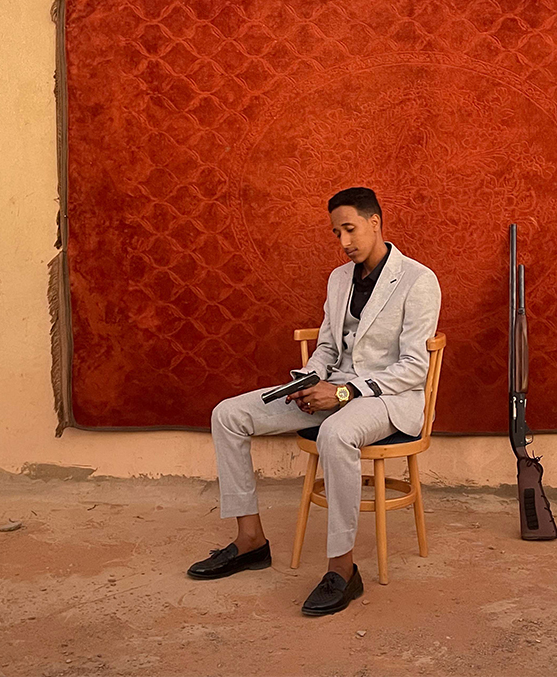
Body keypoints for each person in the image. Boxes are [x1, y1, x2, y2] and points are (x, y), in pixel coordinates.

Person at [187, 187, 442, 616]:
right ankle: (250, 541)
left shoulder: (419, 280)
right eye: (336, 233)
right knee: (228, 414)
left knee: (336, 432)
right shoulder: (339, 278)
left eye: (350, 229)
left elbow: (415, 367)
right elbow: (326, 347)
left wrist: (344, 391)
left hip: (386, 398)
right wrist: (309, 381)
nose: (344, 242)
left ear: (375, 223)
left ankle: (342, 569)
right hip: (332, 388)